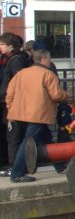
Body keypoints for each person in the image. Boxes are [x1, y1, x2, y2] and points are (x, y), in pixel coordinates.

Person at [6, 49, 69, 183]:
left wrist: (10, 109)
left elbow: (10, 93)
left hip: (19, 113)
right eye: (49, 58)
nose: (50, 61)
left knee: (46, 140)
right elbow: (56, 95)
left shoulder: (21, 73)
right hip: (38, 114)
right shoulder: (48, 74)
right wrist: (66, 94)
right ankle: (17, 173)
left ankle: (60, 165)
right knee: (28, 142)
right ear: (44, 59)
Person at [0, 33, 32, 177]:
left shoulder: (15, 60)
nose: (0, 47)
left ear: (10, 45)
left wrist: (11, 104)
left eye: (2, 45)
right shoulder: (11, 59)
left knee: (14, 137)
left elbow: (18, 84)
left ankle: (15, 168)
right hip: (12, 104)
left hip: (14, 105)